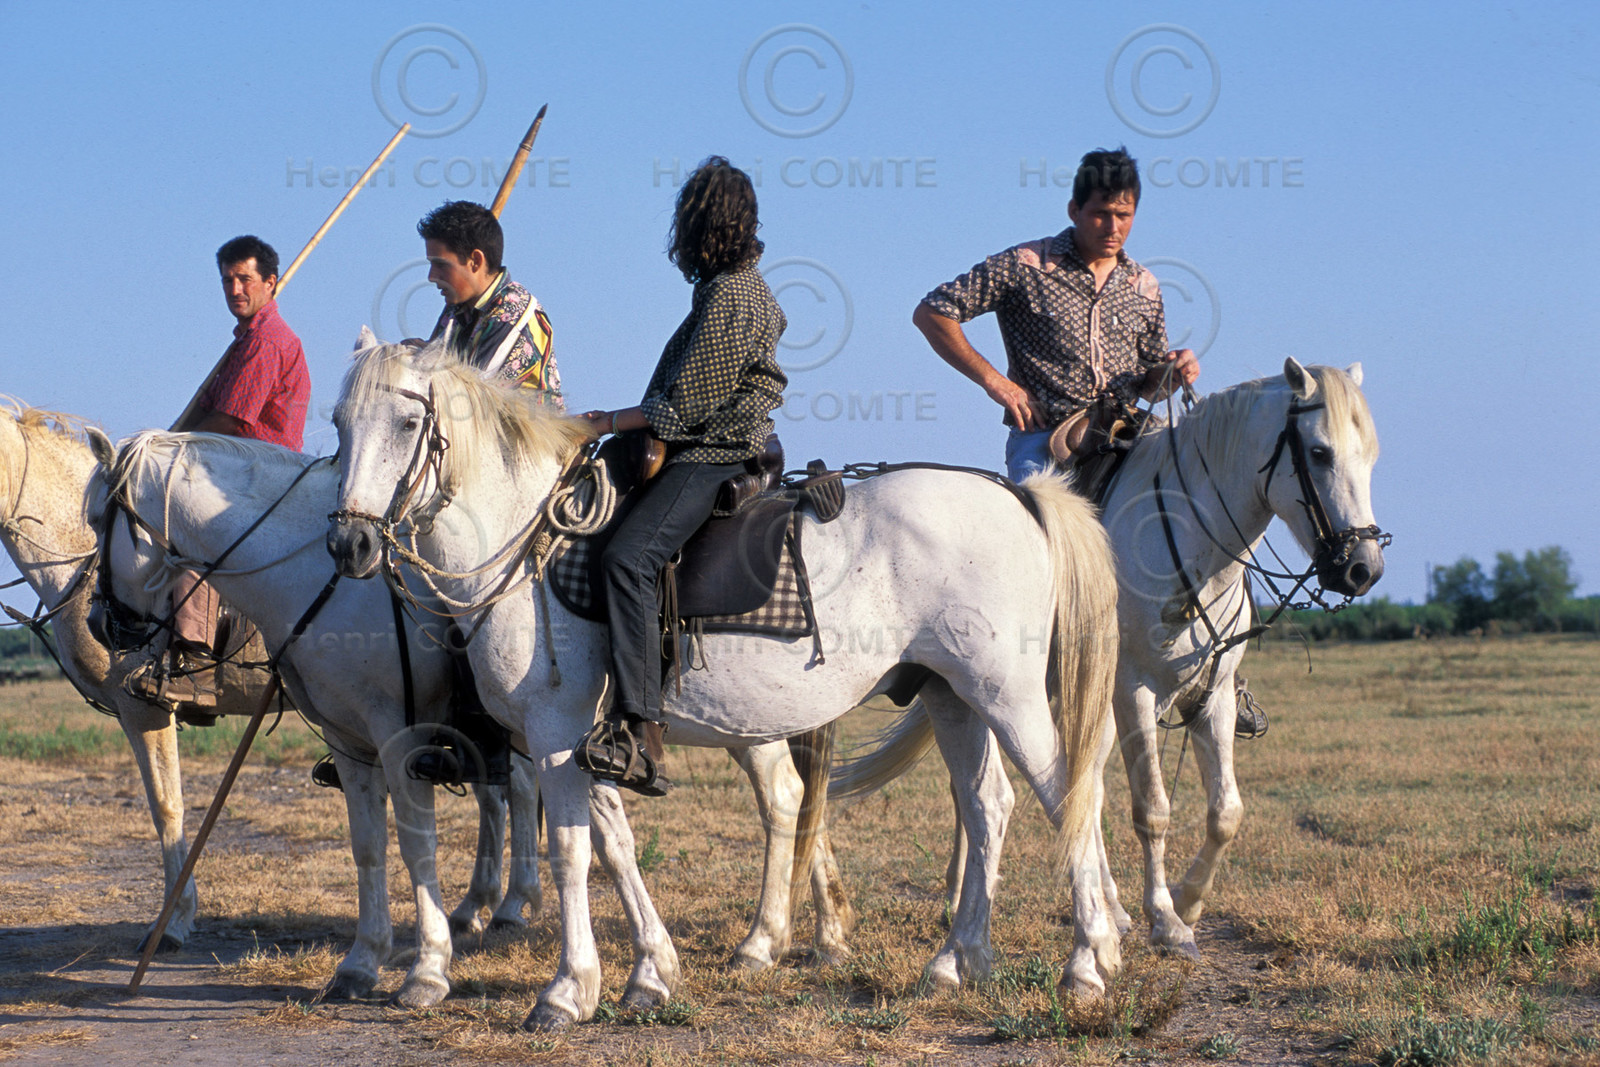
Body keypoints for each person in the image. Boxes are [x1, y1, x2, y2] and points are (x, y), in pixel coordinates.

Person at [571, 157, 787, 795]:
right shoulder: (719, 290)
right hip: (695, 443)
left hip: (713, 451)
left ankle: (641, 730)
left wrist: (606, 420)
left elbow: (686, 406)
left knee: (630, 558)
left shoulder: (734, 295)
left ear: (702, 225)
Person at [913, 146, 1198, 483]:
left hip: (1125, 443)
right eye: (1101, 213)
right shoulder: (1026, 265)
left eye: (1123, 215)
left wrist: (1174, 373)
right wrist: (995, 383)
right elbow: (932, 313)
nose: (1112, 227)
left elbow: (1151, 387)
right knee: (1038, 535)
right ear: (1074, 210)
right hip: (1044, 442)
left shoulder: (1144, 285)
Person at [132, 236, 310, 711]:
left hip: (258, 479)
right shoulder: (246, 340)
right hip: (235, 470)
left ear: (270, 283)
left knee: (196, 538)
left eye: (244, 279)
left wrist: (170, 446)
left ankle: (195, 667)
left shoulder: (267, 342)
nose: (234, 289)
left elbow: (230, 423)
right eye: (227, 280)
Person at [415, 200, 562, 407]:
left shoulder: (513, 312)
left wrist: (424, 357)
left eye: (440, 265)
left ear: (475, 261)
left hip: (518, 435)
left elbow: (470, 390)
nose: (432, 276)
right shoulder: (456, 309)